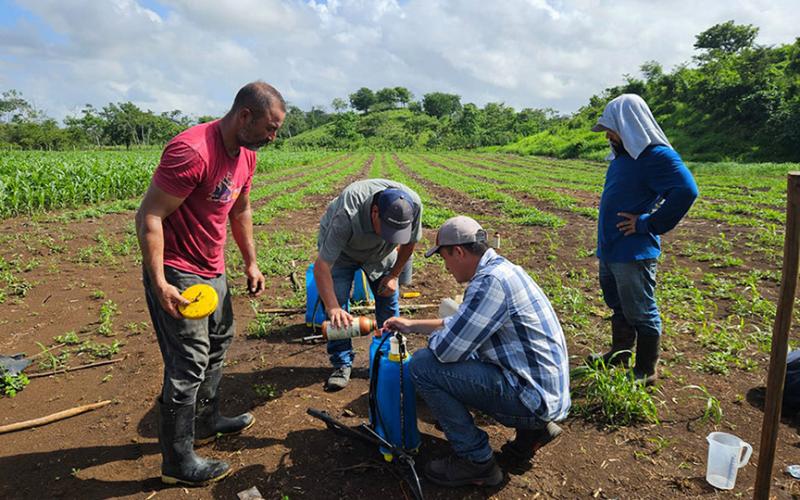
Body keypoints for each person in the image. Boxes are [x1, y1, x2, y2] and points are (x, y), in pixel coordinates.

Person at [136, 81, 285, 486]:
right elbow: (149, 215)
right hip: (179, 270)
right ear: (245, 116)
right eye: (270, 128)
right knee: (188, 362)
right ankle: (178, 463)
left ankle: (206, 420)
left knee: (219, 340)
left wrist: (251, 263)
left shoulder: (246, 157)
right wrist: (161, 282)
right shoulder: (192, 150)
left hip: (212, 267)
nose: (273, 137)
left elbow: (240, 211)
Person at [384, 216, 570, 487]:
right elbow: (465, 324)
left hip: (533, 399)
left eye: (444, 258)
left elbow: (447, 351)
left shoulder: (489, 283)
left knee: (424, 365)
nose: (446, 267)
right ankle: (534, 433)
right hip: (545, 392)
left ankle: (476, 461)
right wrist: (412, 325)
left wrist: (436, 341)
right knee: (465, 352)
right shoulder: (503, 271)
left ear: (458, 251)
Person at [589, 94, 698, 384]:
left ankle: (646, 370)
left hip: (633, 251)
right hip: (611, 247)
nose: (608, 136)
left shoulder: (657, 156)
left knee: (640, 309)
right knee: (618, 304)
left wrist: (649, 223)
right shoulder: (623, 157)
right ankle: (619, 352)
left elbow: (687, 191)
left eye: (611, 129)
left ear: (628, 125)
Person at [313, 179, 422, 390]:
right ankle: (341, 362)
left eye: (396, 233)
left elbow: (409, 244)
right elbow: (322, 266)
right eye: (387, 229)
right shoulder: (347, 213)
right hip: (341, 254)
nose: (392, 236)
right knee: (338, 305)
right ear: (374, 212)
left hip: (381, 254)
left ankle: (388, 356)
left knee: (388, 300)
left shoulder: (413, 205)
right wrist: (333, 306)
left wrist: (393, 275)